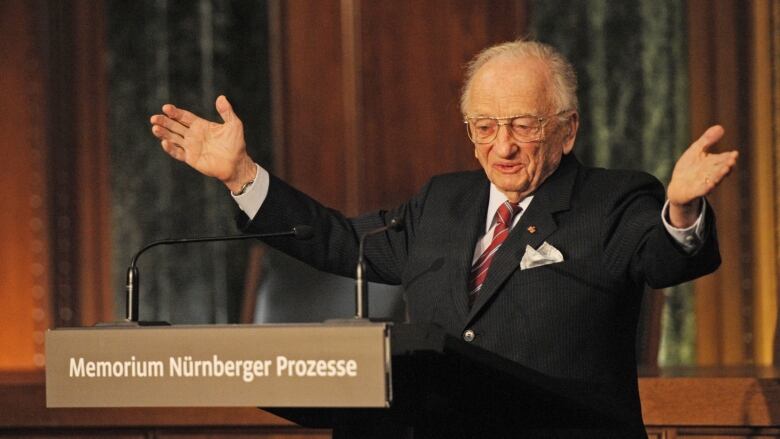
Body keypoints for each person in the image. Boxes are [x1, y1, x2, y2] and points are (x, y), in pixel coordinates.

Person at [150, 40, 738, 436]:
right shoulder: (441, 202)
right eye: (483, 126)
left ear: (566, 129)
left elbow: (666, 257)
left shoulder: (613, 200)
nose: (501, 146)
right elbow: (336, 240)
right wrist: (242, 177)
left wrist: (681, 209)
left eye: (523, 126)